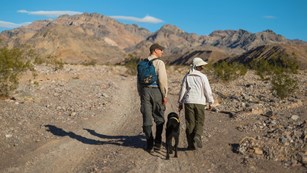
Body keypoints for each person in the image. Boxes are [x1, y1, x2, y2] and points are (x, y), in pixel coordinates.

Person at [137, 43, 168, 153]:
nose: (162, 52)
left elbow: (138, 82)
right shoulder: (159, 63)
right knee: (159, 117)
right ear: (155, 50)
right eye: (161, 50)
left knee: (147, 118)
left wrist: (141, 94)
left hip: (145, 91)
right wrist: (164, 95)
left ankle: (149, 144)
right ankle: (158, 143)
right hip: (156, 91)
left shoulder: (142, 63)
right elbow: (162, 80)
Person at [178, 57, 214, 150]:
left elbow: (183, 90)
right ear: (198, 67)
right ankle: (197, 135)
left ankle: (190, 145)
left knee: (190, 123)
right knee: (200, 121)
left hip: (188, 102)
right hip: (200, 102)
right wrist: (210, 102)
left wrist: (180, 103)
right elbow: (207, 90)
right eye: (201, 66)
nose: (202, 68)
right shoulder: (203, 77)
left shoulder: (187, 76)